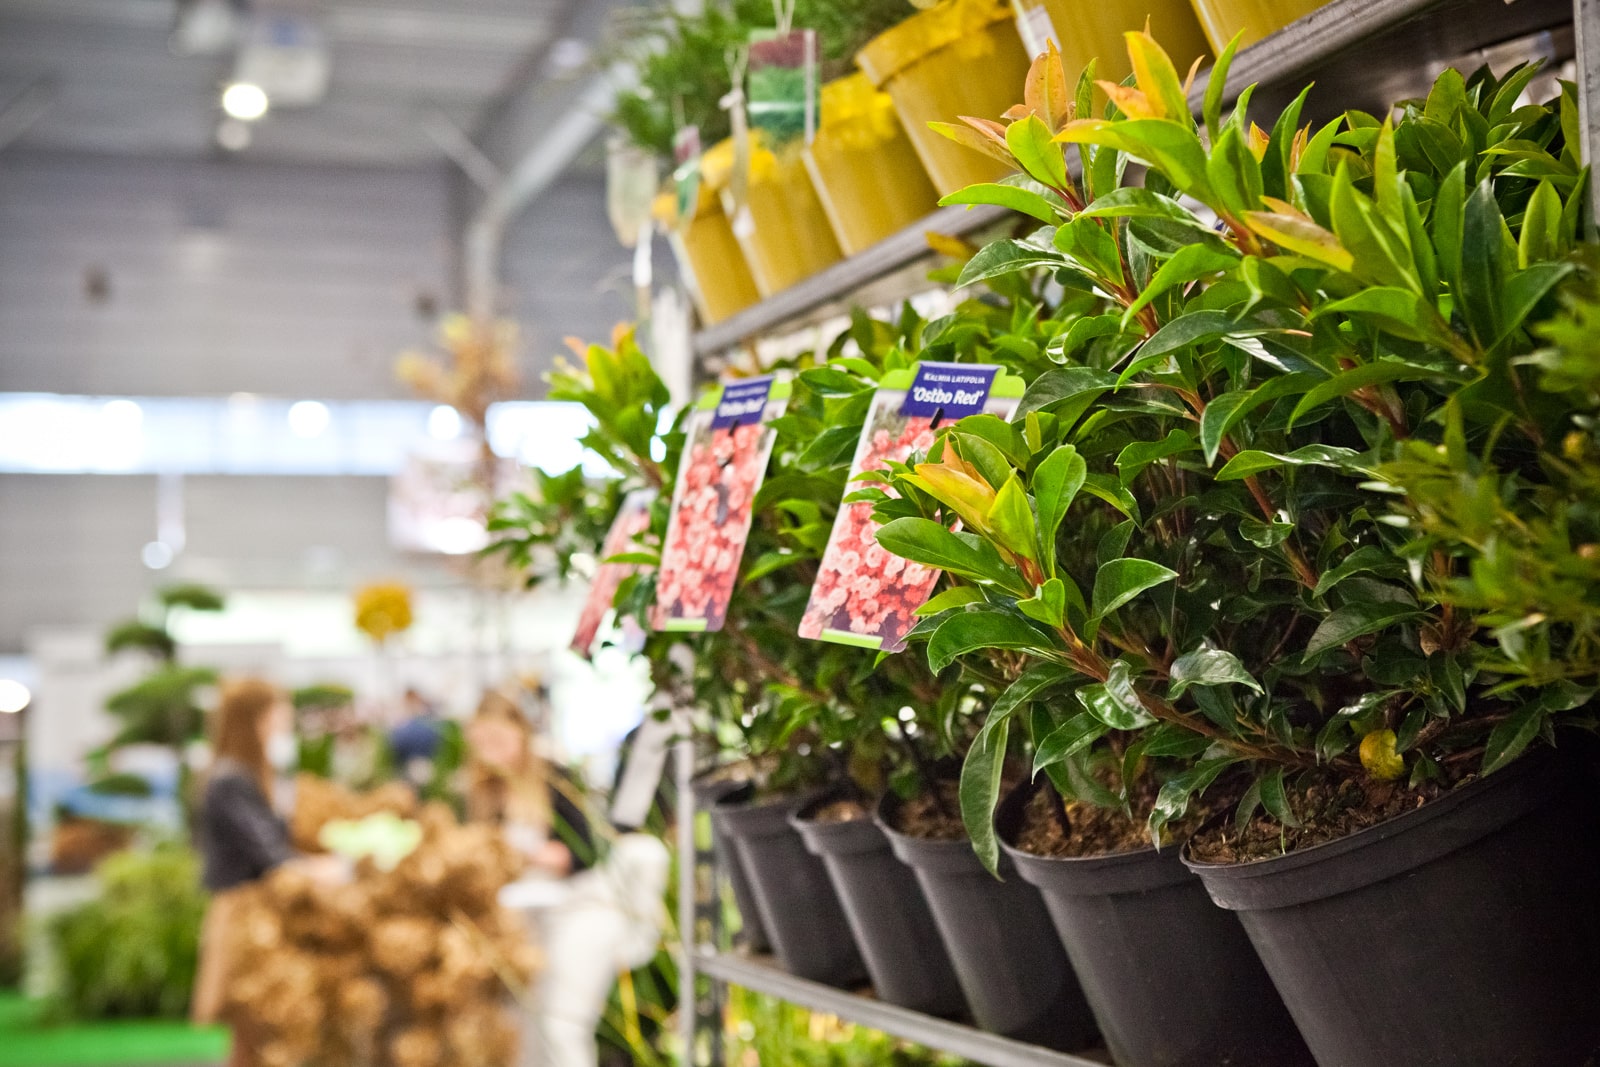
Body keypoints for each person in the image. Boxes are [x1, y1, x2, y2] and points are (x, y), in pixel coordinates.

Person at [191, 677, 340, 1067]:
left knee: (259, 1032)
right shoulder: (229, 780)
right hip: (243, 917)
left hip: (255, 913)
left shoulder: (245, 774)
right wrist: (316, 869)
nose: (285, 720)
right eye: (279, 710)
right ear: (257, 717)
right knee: (251, 1028)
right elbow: (267, 852)